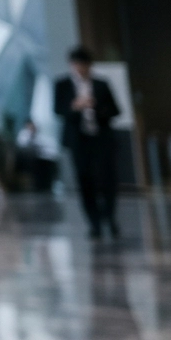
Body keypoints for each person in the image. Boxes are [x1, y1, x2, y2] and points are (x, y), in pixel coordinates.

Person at [54, 45, 123, 239]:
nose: (79, 68)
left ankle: (109, 216)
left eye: (83, 65)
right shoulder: (63, 85)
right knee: (85, 181)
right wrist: (76, 107)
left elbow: (115, 110)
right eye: (76, 64)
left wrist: (96, 107)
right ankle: (94, 223)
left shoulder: (101, 85)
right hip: (79, 141)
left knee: (107, 179)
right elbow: (58, 110)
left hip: (101, 138)